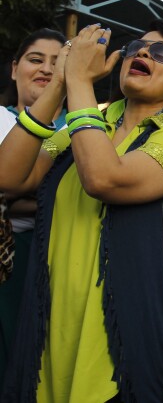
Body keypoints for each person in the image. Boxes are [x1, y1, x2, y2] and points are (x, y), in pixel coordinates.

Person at [0, 21, 163, 402]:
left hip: (125, 343)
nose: (142, 54)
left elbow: (104, 179)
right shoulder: (88, 127)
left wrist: (80, 81)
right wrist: (62, 82)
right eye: (135, 48)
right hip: (51, 328)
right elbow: (10, 178)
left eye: (161, 53)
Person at [0, 28, 66, 391]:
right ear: (14, 68)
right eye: (35, 59)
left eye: (58, 63)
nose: (45, 69)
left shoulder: (85, 129)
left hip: (59, 269)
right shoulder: (0, 119)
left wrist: (16, 199)